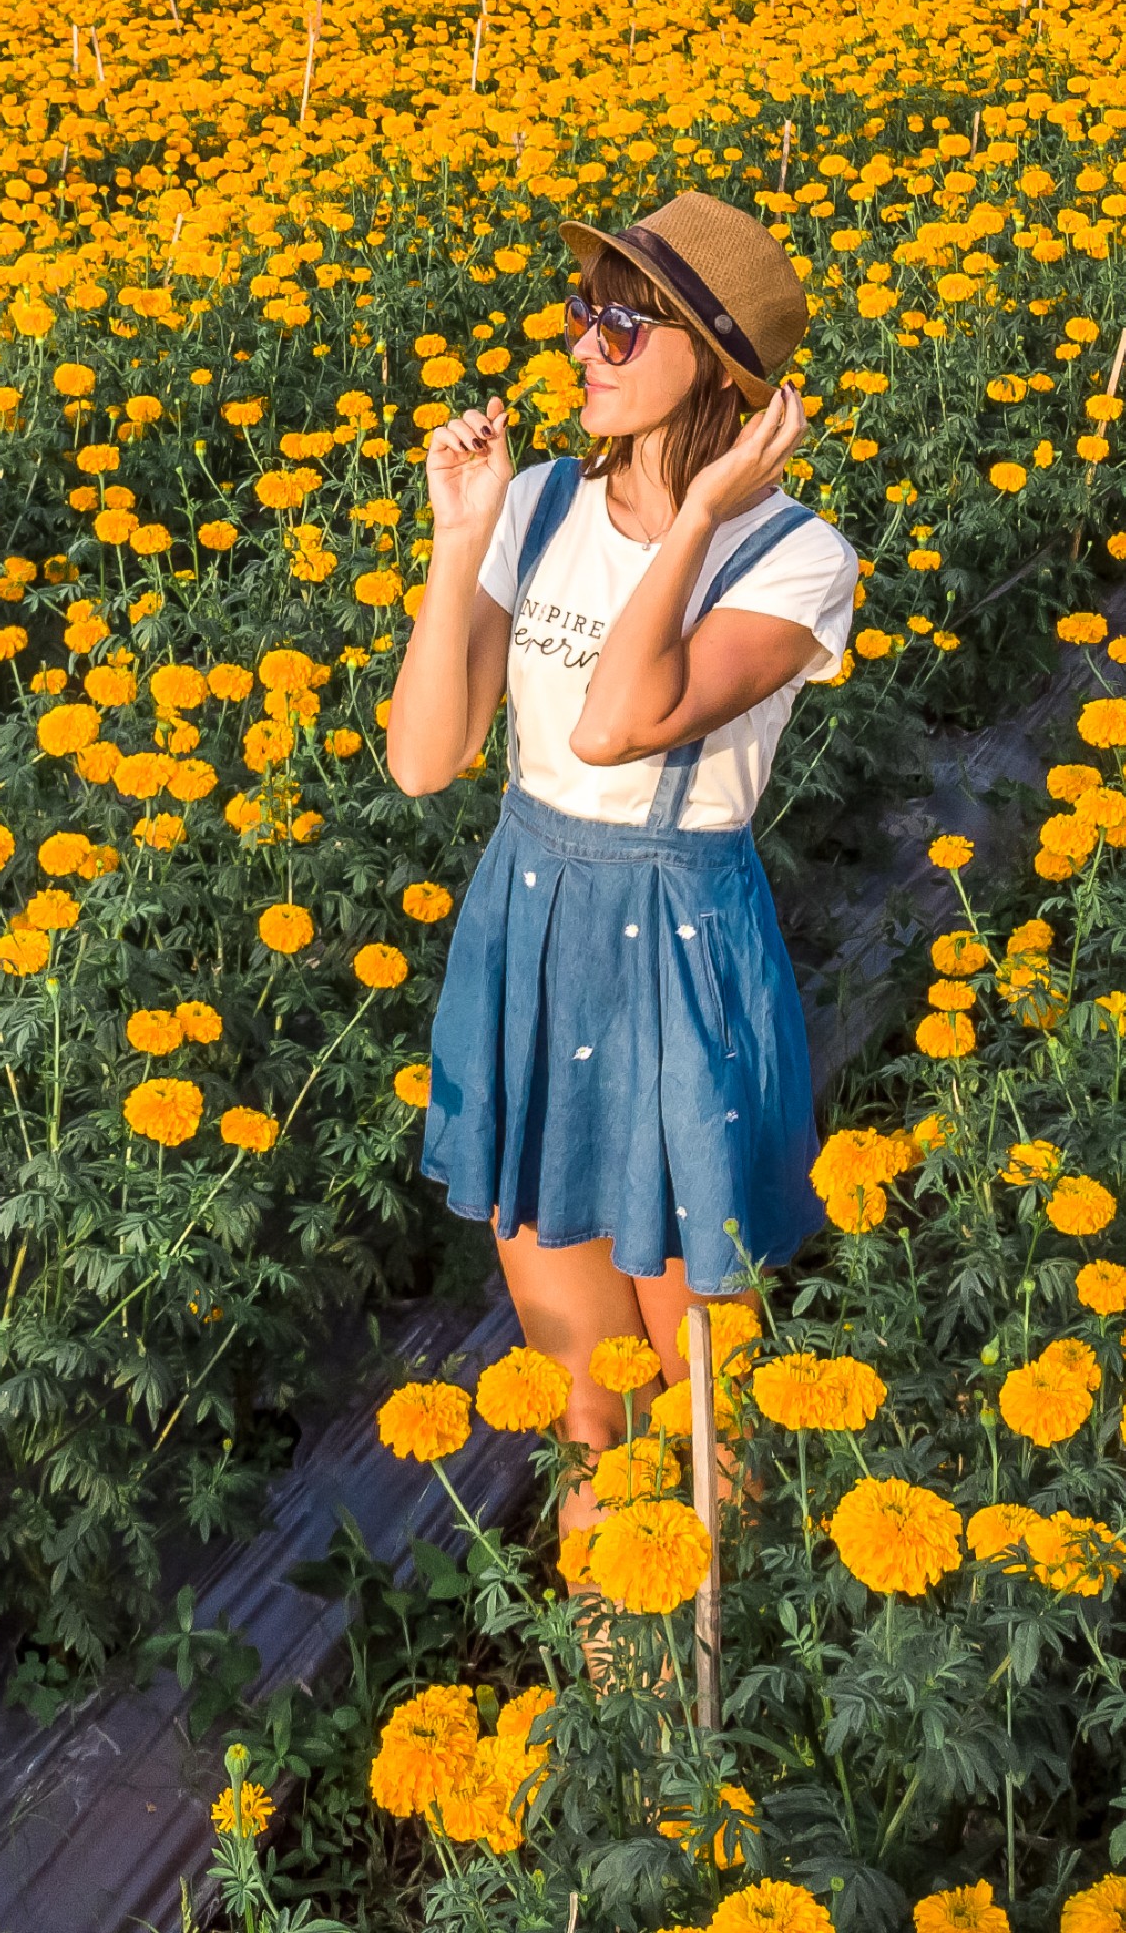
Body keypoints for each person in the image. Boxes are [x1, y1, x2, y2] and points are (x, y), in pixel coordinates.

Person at [380, 187, 861, 1527]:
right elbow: (426, 759)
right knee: (589, 1398)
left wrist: (697, 516)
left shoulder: (795, 555)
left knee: (704, 1401)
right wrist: (461, 532)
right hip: (527, 934)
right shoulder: (532, 506)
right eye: (580, 310)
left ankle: (706, 1691)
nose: (582, 343)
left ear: (716, 357)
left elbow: (618, 723)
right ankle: (612, 1714)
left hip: (678, 956)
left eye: (621, 320)